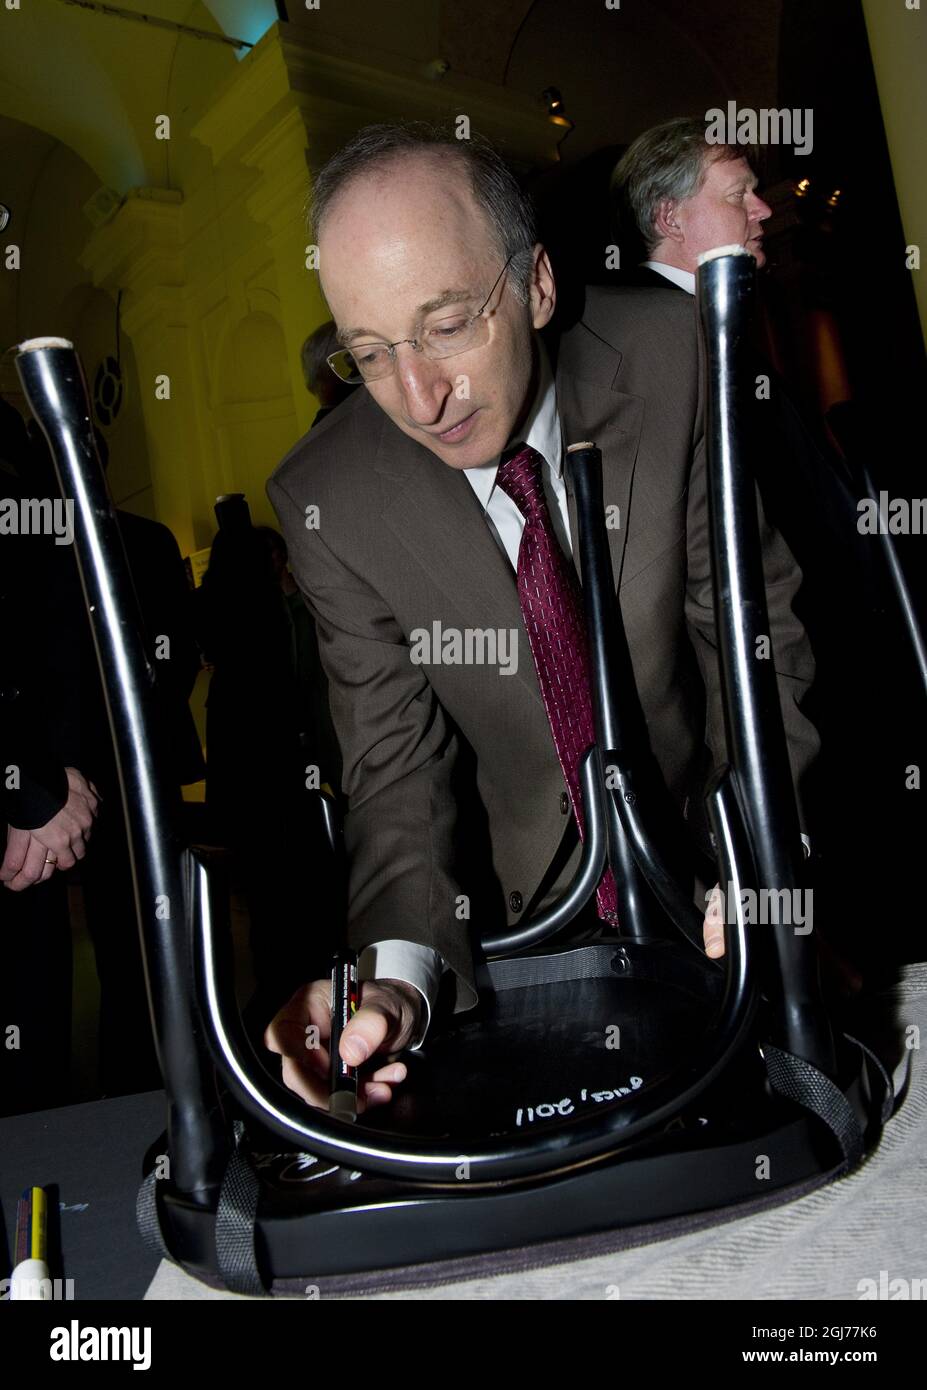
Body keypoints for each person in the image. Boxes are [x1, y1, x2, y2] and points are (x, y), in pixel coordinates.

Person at [265, 121, 819, 1113]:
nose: (422, 397)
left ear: (538, 286)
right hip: (517, 936)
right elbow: (393, 772)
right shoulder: (330, 496)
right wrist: (393, 980)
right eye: (372, 353)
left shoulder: (675, 360)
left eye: (445, 325)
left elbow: (753, 646)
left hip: (712, 881)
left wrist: (762, 863)